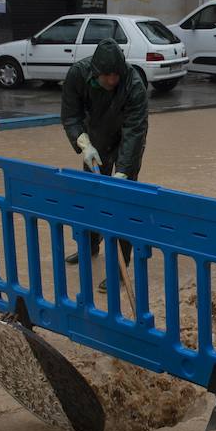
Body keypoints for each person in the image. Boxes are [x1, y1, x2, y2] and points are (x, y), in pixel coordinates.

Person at [61, 39, 148, 272]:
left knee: (122, 201)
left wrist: (124, 171)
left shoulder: (134, 85)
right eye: (106, 75)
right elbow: (70, 115)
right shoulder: (78, 75)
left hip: (125, 144)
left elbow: (135, 131)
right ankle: (89, 247)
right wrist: (83, 142)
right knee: (89, 196)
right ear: (96, 71)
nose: (112, 80)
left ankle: (122, 266)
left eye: (116, 75)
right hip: (94, 142)